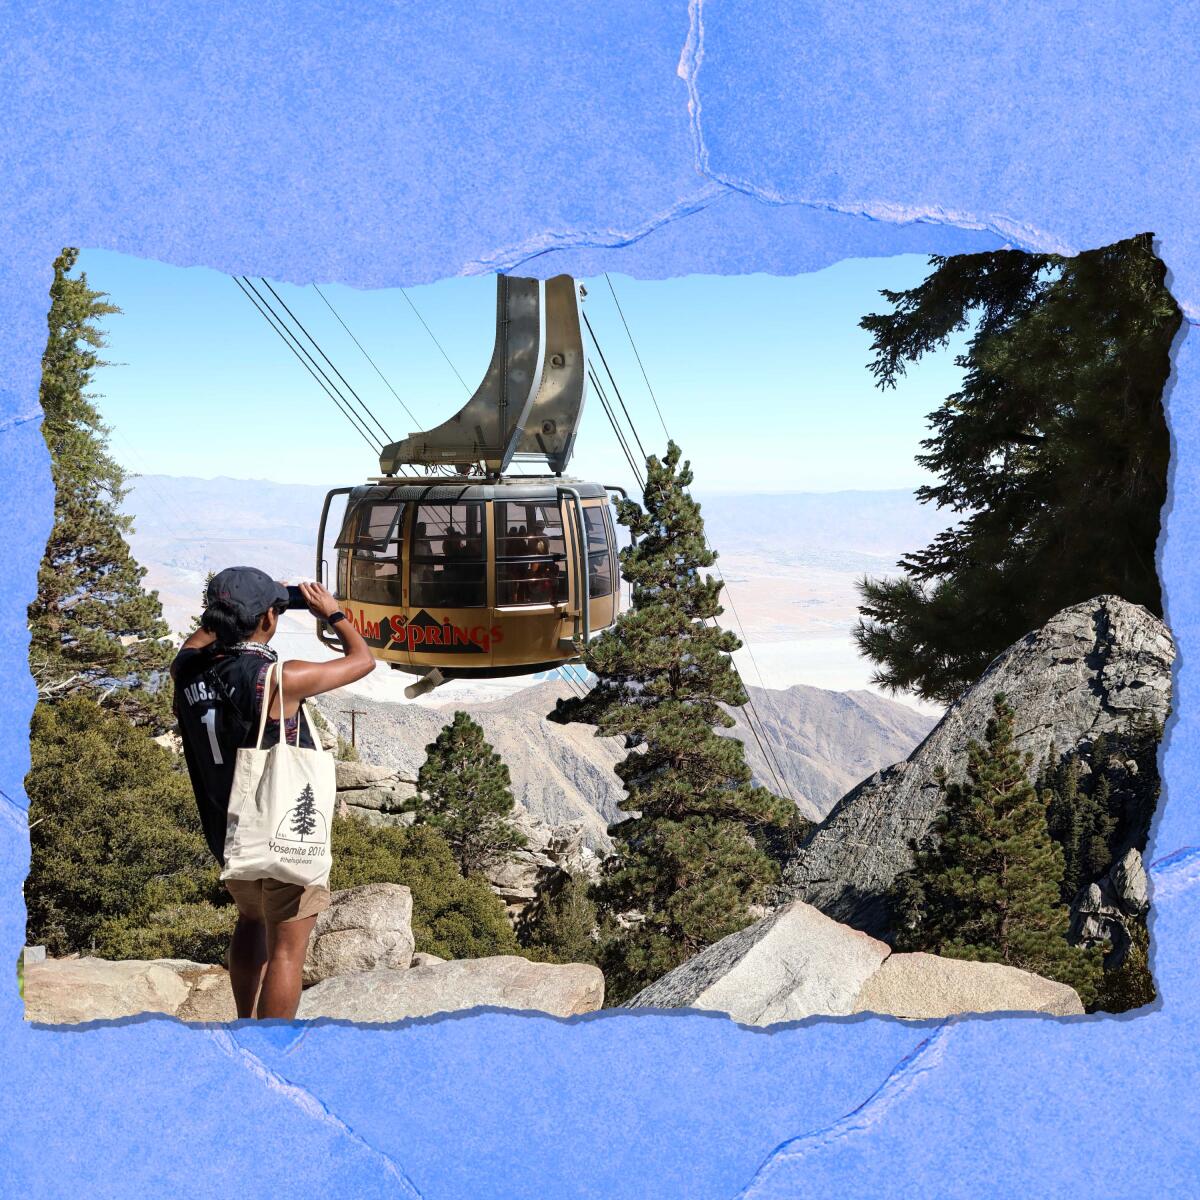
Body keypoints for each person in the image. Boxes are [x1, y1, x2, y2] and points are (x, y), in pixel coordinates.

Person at [170, 567, 374, 1019]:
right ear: (267, 619)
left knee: (250, 919)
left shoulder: (185, 668)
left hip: (227, 829)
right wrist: (333, 613)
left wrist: (249, 606)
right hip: (282, 831)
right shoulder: (280, 679)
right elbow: (362, 660)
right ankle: (271, 1050)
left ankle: (247, 1024)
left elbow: (204, 637)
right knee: (287, 951)